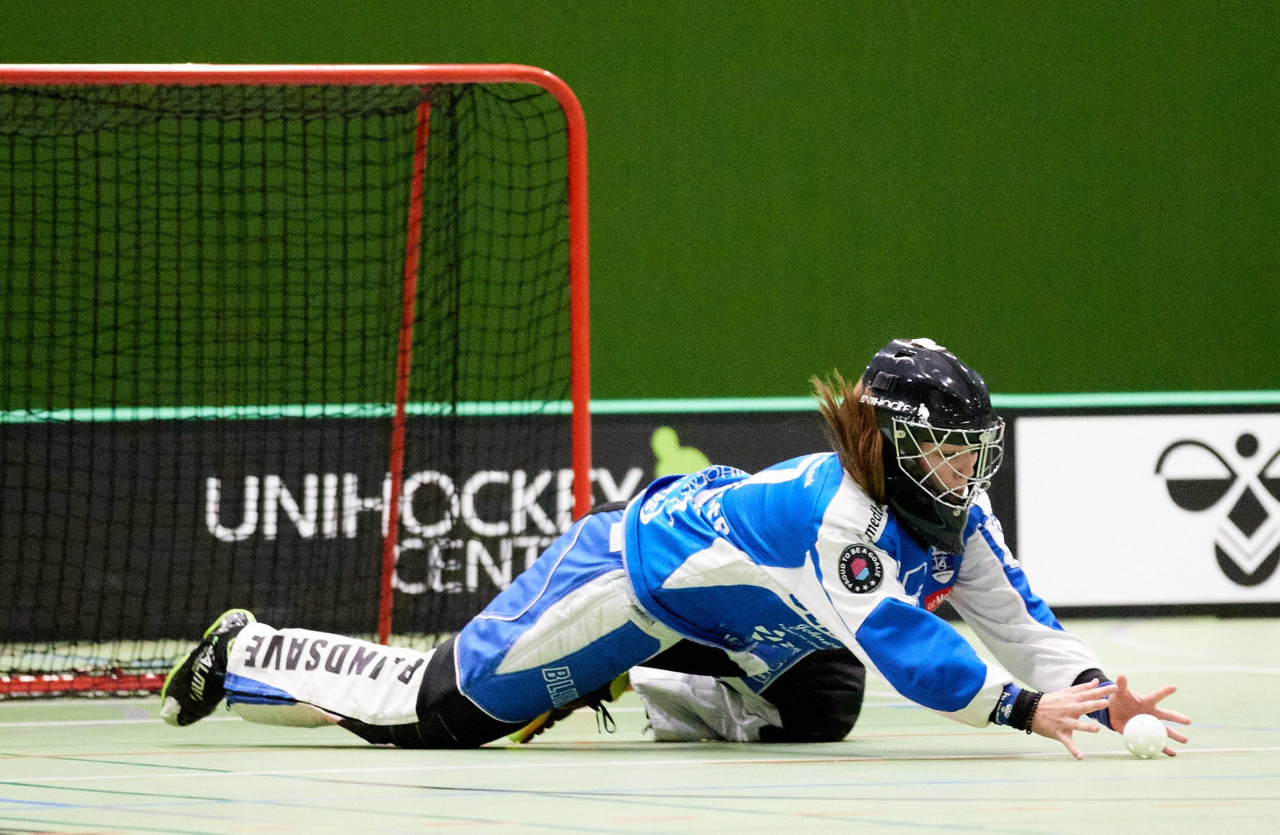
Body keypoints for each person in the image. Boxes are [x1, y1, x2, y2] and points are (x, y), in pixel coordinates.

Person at [160, 337, 1190, 758]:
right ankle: (250, 649)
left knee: (819, 704)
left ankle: (615, 692)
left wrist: (1094, 687)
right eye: (944, 453)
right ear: (889, 442)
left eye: (973, 454)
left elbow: (1013, 615)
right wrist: (1017, 709)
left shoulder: (953, 515)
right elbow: (907, 646)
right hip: (629, 579)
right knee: (434, 714)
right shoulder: (842, 522)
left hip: (739, 611)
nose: (964, 475)